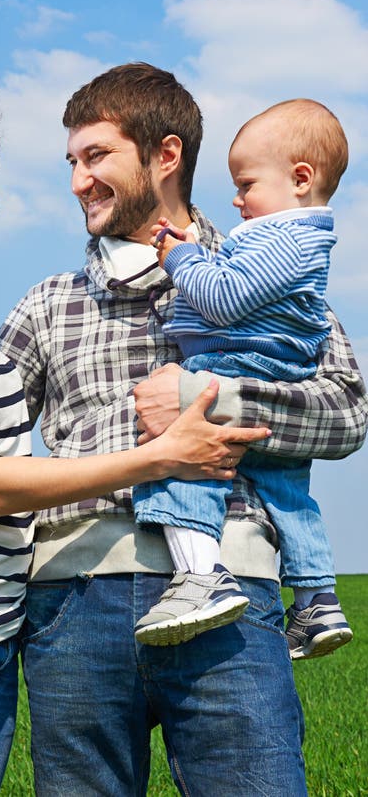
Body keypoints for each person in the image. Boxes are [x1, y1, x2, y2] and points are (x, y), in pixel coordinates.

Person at [0, 65, 368, 797]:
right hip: (70, 607)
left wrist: (208, 398)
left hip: (231, 597)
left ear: (165, 156)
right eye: (71, 162)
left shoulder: (268, 270)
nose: (77, 181)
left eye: (95, 158)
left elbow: (345, 414)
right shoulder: (47, 304)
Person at [132, 99, 354, 659]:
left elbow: (225, 299)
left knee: (181, 457)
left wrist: (181, 262)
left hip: (237, 365)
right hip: (274, 373)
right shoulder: (291, 242)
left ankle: (200, 575)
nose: (236, 199)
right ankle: (316, 600)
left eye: (247, 183)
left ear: (300, 179)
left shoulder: (289, 236)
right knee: (285, 486)